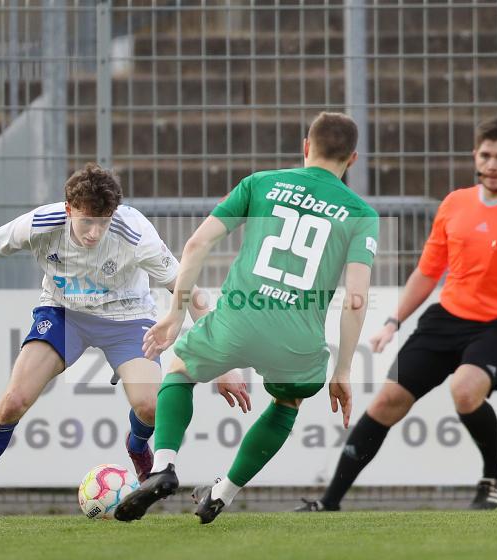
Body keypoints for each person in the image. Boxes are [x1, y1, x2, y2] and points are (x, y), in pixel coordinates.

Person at [0, 163, 248, 523]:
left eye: (103, 222)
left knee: (149, 408)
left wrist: (226, 364)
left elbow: (189, 291)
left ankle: (136, 444)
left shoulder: (135, 231)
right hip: (64, 314)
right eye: (86, 222)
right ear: (68, 210)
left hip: (126, 318)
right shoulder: (41, 223)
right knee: (12, 403)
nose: (95, 233)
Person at [295, 118, 497, 512]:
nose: (493, 164)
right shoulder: (455, 204)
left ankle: (493, 474)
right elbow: (428, 273)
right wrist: (393, 321)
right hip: (446, 318)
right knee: (386, 402)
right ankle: (328, 504)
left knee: (465, 392)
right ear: (475, 156)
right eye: (486, 155)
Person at [113, 112, 380, 524]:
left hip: (239, 319)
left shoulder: (261, 183)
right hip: (297, 338)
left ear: (305, 147)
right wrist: (343, 369)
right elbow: (357, 299)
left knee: (180, 370)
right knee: (287, 400)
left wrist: (175, 313)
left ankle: (164, 466)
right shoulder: (360, 213)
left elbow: (197, 242)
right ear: (354, 159)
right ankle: (224, 492)